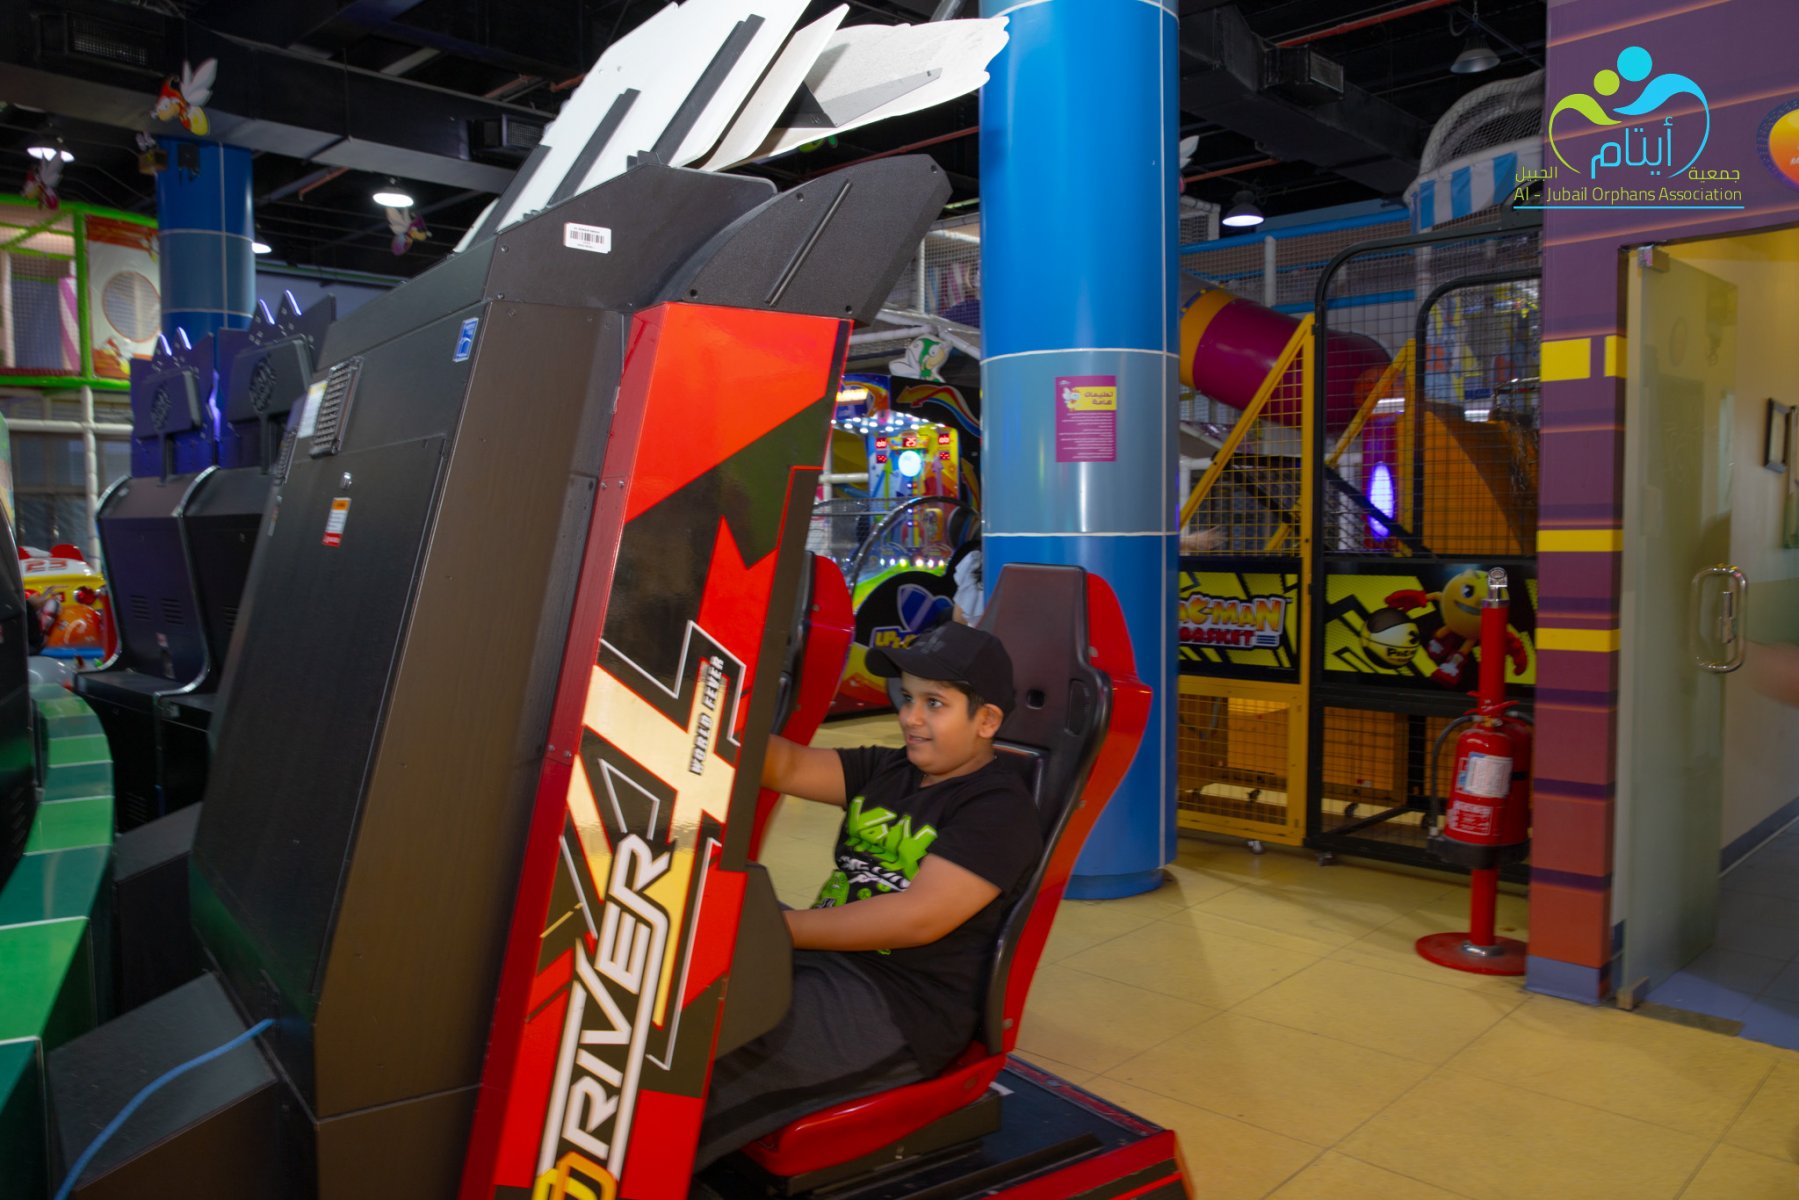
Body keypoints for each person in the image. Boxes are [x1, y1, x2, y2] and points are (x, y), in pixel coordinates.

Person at [691, 620, 1042, 1174]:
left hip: (898, 1003)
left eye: (934, 703)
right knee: (678, 1015)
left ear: (987, 721)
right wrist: (699, 716)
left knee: (692, 1081)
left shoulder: (997, 809)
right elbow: (786, 764)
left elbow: (917, 918)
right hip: (821, 960)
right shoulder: (890, 769)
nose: (910, 717)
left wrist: (774, 929)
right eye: (908, 697)